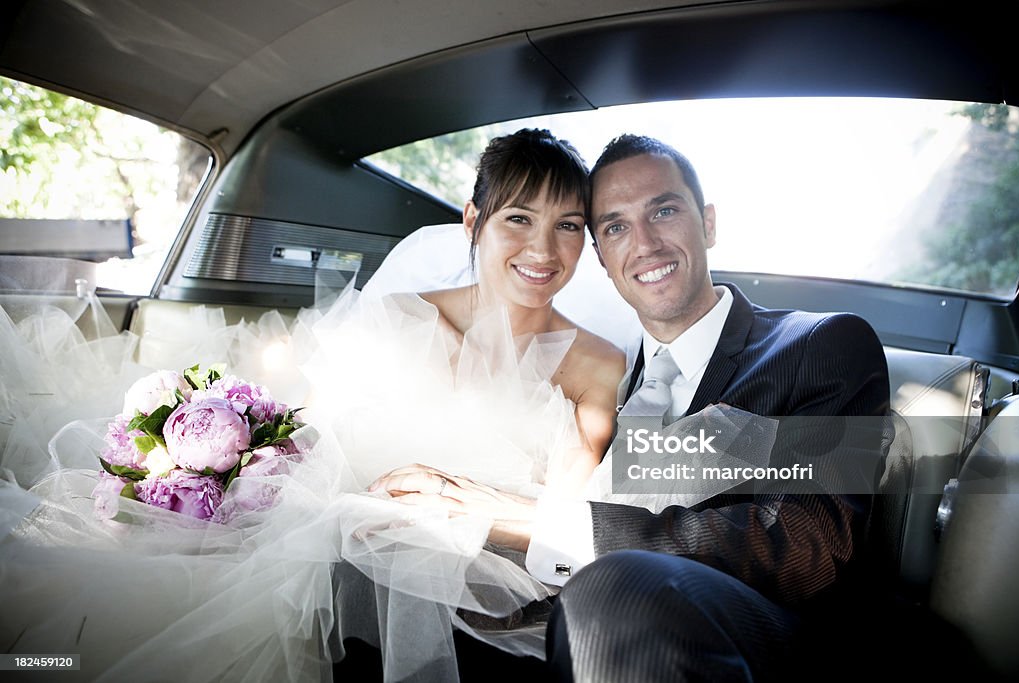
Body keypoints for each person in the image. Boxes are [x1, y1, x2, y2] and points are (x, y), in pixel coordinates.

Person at [0, 128, 628, 683]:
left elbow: (564, 516)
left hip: (488, 568)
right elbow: (311, 446)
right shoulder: (398, 318)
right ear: (474, 222)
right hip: (340, 542)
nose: (544, 249)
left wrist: (450, 512)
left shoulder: (597, 363)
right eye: (518, 218)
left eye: (568, 225)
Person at [372, 134, 892, 681]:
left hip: (757, 639)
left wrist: (532, 523)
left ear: (708, 223)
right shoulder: (605, 380)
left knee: (613, 587)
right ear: (599, 254)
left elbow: (811, 545)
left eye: (663, 211)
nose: (644, 244)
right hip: (575, 627)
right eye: (615, 227)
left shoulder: (818, 345)